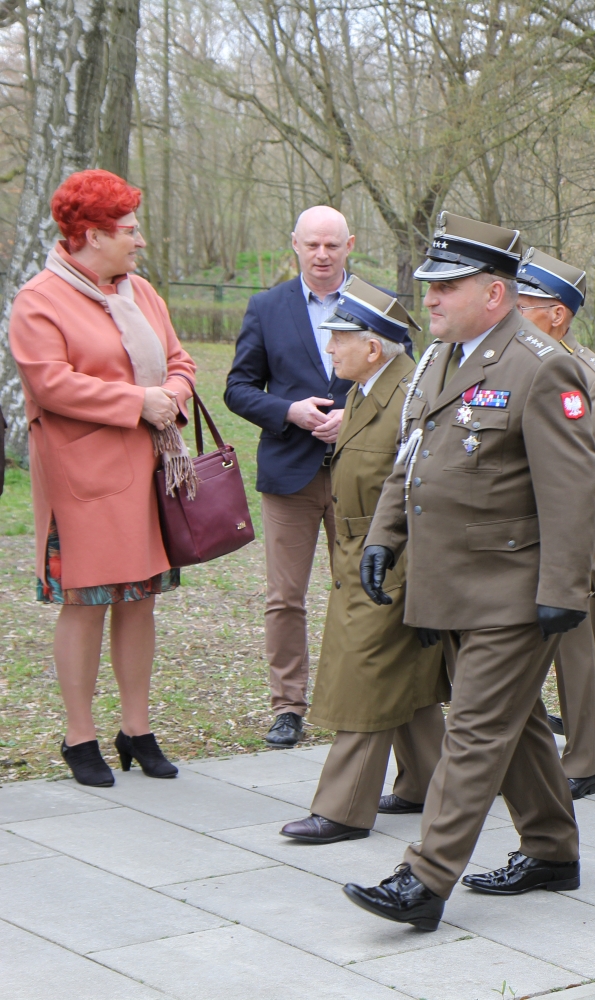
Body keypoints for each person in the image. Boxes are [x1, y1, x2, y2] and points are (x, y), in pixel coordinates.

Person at [342, 214, 595, 931]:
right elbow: (413, 460)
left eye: (446, 287)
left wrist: (563, 590)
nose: (429, 298)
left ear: (493, 293)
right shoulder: (440, 359)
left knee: (477, 730)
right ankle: (551, 850)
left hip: (514, 589)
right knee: (515, 724)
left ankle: (424, 880)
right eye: (430, 285)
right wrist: (385, 538)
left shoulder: (541, 366)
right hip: (450, 582)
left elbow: (575, 490)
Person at [9, 169, 196, 787]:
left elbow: (180, 360)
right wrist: (138, 401)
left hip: (148, 474)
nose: (139, 240)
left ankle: (136, 730)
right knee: (86, 605)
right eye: (129, 230)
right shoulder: (39, 299)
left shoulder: (142, 293)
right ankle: (79, 736)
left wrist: (172, 392)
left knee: (140, 601)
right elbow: (50, 383)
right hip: (82, 482)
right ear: (93, 235)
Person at [279, 279, 449, 844]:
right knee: (406, 678)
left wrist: (420, 575)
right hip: (362, 555)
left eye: (339, 339)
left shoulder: (410, 398)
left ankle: (343, 809)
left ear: (373, 347)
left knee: (365, 677)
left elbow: (424, 493)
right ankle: (428, 781)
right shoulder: (366, 389)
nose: (329, 348)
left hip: (395, 561)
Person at [225, 206, 356, 748]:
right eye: (312, 245)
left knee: (360, 591)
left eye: (332, 245)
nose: (322, 255)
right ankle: (287, 706)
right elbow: (237, 388)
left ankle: (355, 699)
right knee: (285, 597)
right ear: (295, 244)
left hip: (357, 473)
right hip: (289, 475)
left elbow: (407, 383)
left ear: (350, 245)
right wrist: (287, 411)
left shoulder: (374, 304)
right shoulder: (267, 307)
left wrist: (356, 417)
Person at [516, 249, 595, 799]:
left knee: (575, 654)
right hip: (516, 534)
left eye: (523, 306)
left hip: (571, 543)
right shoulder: (514, 364)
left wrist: (577, 549)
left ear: (557, 314)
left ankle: (582, 760)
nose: (512, 314)